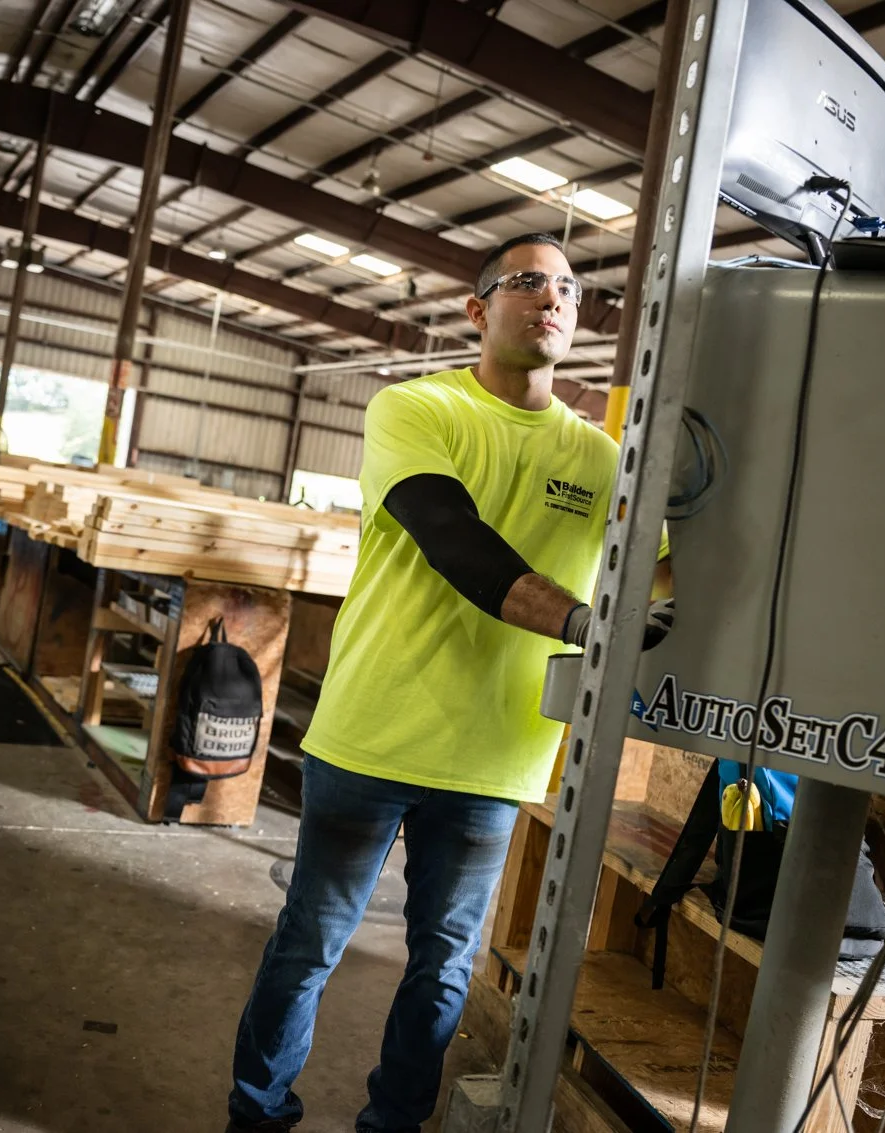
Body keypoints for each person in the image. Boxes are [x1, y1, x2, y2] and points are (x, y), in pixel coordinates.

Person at [226, 232, 674, 1133]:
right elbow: (450, 535)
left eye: (570, 291)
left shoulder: (604, 461)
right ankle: (257, 1113)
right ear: (477, 310)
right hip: (373, 734)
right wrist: (585, 623)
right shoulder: (415, 409)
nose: (553, 299)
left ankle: (392, 1126)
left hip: (495, 758)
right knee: (310, 943)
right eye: (528, 283)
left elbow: (667, 578)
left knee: (442, 963)